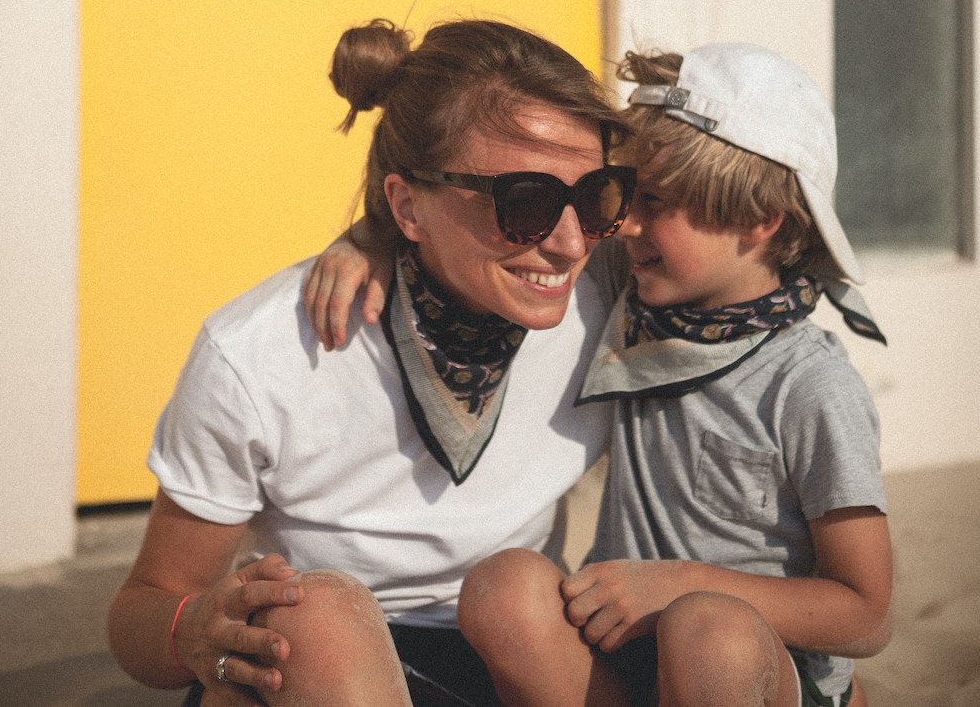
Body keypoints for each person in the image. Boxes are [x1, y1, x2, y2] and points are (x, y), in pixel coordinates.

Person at [313, 44, 892, 707]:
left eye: (656, 202)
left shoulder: (812, 387)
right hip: (630, 656)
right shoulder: (636, 288)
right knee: (506, 587)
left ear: (759, 220)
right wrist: (369, 239)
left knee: (709, 632)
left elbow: (867, 614)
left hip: (750, 671)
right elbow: (448, 222)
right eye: (624, 195)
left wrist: (680, 585)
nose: (624, 225)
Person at [107, 16, 635, 706]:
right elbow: (146, 609)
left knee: (518, 592)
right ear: (406, 207)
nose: (570, 243)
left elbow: (722, 197)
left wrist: (367, 232)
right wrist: (195, 629)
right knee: (315, 619)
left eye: (596, 196)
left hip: (504, 652)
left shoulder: (611, 291)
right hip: (317, 669)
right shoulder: (263, 352)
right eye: (524, 202)